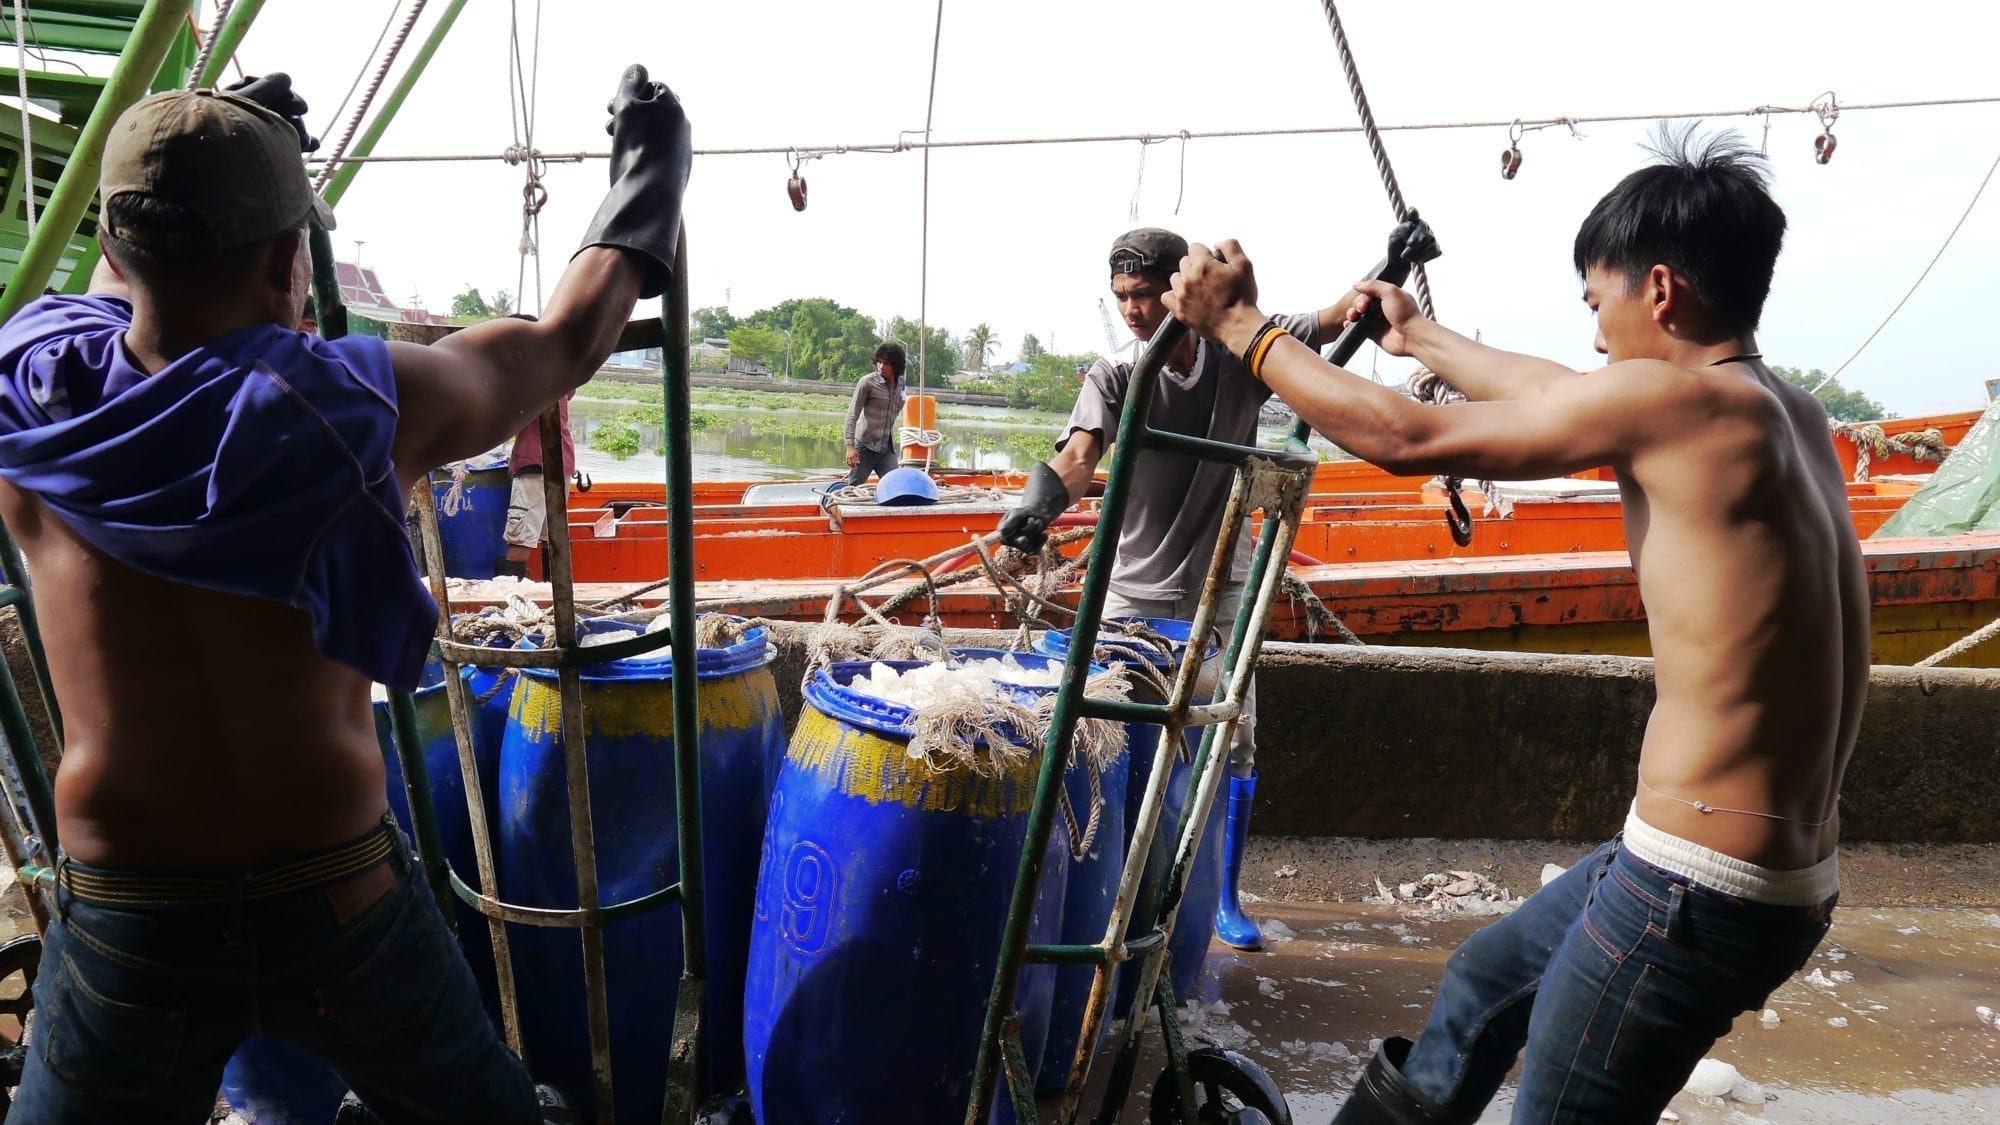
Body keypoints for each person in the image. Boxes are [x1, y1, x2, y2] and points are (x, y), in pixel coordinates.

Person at [0, 63, 689, 1123]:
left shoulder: (32, 398)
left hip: (128, 902)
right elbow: (563, 345)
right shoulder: (357, 404)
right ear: (290, 257)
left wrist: (213, 154)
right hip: (335, 890)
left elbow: (117, 293)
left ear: (116, 247)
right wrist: (648, 174)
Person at [1166, 129, 1862, 1122]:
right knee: (1479, 991)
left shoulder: (1678, 408)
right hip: (1730, 873)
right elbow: (1563, 395)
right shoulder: (1781, 412)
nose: (1591, 338)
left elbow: (1402, 437)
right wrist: (1419, 337)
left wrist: (1242, 329)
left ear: (1659, 291)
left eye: (1596, 305)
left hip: (1694, 887)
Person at [996, 228, 1360, 952]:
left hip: (1219, 583)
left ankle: (1221, 896)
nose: (1133, 310)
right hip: (1132, 590)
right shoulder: (1114, 377)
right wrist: (1038, 504)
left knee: (1233, 737)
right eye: (1121, 297)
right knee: (1118, 737)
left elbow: (1332, 316)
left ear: (1182, 289)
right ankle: (1123, 893)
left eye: (1145, 294)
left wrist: (1387, 270)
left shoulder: (1243, 352)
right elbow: (1077, 456)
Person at [497, 394, 576, 578]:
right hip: (562, 461)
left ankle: (509, 596)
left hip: (534, 462)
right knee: (554, 537)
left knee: (521, 537)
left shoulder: (529, 377)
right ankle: (554, 595)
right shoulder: (563, 374)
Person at [843, 341, 909, 485]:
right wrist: (850, 446)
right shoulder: (867, 383)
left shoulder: (901, 383)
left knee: (896, 485)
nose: (881, 367)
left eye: (886, 363)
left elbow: (895, 408)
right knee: (853, 489)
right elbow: (852, 415)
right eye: (879, 362)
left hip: (886, 448)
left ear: (896, 366)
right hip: (865, 446)